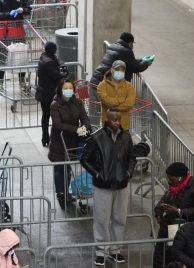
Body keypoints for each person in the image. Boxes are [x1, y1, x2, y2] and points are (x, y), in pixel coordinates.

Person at [80, 108, 137, 266]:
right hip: (102, 186)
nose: (117, 122)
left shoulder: (126, 137)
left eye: (119, 119)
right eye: (114, 119)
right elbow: (84, 159)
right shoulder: (97, 137)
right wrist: (97, 174)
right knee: (101, 220)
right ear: (106, 119)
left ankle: (115, 250)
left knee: (120, 219)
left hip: (121, 185)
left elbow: (132, 157)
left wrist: (128, 173)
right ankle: (101, 251)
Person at [49, 78, 90, 209]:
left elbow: (85, 118)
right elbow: (58, 124)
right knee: (60, 168)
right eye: (65, 88)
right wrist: (76, 129)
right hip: (59, 141)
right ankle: (61, 193)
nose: (68, 91)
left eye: (70, 88)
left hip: (72, 141)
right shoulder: (55, 105)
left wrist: (85, 128)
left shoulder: (77, 103)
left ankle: (66, 192)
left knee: (68, 168)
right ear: (61, 90)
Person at [0, 0, 31, 92]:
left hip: (18, 29)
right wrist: (9, 14)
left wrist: (22, 10)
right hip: (5, 31)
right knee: (2, 56)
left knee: (21, 56)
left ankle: (22, 81)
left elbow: (28, 9)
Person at [153, 162, 194, 267]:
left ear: (180, 178)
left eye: (172, 180)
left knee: (174, 258)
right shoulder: (174, 187)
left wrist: (179, 211)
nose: (169, 183)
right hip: (166, 228)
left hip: (183, 232)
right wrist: (158, 211)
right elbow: (164, 198)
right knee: (160, 258)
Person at [35, 41, 67, 147]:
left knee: (46, 115)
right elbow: (57, 76)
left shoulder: (44, 57)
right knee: (54, 116)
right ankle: (52, 138)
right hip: (49, 94)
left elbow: (58, 60)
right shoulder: (49, 62)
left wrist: (61, 65)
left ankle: (45, 137)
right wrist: (64, 73)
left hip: (44, 92)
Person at [97, 60, 136, 132]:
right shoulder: (102, 85)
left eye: (122, 70)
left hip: (124, 126)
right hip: (107, 126)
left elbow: (129, 104)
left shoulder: (129, 87)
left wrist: (112, 107)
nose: (120, 72)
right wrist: (121, 100)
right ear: (111, 70)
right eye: (117, 69)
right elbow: (106, 101)